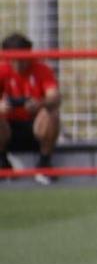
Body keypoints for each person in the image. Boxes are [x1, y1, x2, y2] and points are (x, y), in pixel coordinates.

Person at [2, 32, 62, 183]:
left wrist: (40, 104)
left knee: (51, 113)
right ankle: (3, 163)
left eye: (23, 59)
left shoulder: (41, 69)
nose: (19, 64)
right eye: (13, 60)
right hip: (7, 129)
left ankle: (44, 163)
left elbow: (55, 96)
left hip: (35, 127)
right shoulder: (2, 70)